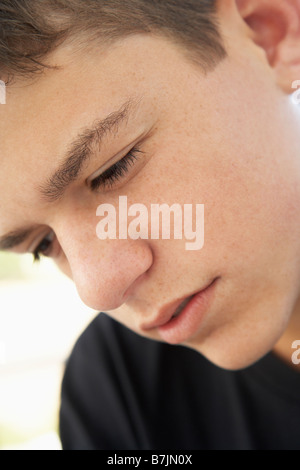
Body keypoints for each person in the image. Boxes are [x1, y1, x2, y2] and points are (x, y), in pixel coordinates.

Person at [1, 0, 300, 450]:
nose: (97, 289)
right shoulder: (116, 390)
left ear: (267, 35)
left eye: (113, 170)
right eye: (44, 244)